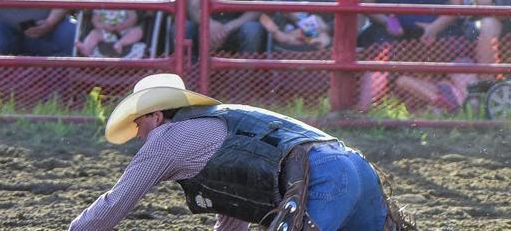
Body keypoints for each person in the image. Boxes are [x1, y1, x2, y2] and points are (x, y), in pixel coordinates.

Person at [70, 72, 408, 230]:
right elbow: (237, 204)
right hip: (353, 166)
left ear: (156, 116)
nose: (139, 136)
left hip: (316, 179)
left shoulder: (166, 139)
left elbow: (117, 203)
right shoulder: (222, 123)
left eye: (139, 125)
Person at [76, 0, 144, 57]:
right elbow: (95, 20)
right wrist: (103, 26)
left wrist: (124, 25)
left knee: (138, 31)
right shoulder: (101, 6)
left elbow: (133, 17)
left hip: (124, 32)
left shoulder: (126, 5)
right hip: (106, 33)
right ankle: (86, 47)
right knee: (95, 33)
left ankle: (120, 44)